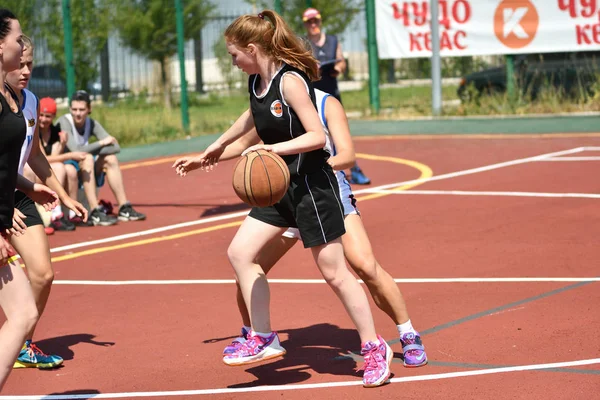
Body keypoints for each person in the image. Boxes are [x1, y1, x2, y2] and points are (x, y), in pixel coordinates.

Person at [173, 10, 392, 388]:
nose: (232, 62)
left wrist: (274, 150)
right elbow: (248, 119)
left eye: (234, 55)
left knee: (335, 274)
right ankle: (263, 336)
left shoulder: (290, 81)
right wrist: (211, 150)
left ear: (253, 48)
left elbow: (318, 137)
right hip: (280, 188)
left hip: (311, 186)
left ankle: (374, 347)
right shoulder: (257, 81)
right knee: (240, 253)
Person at [218, 88, 428, 368]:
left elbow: (348, 156)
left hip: (325, 192)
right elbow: (245, 141)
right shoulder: (273, 99)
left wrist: (313, 168)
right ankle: (253, 334)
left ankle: (408, 333)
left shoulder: (326, 103)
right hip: (287, 195)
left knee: (365, 267)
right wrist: (207, 157)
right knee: (246, 265)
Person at [5, 34, 89, 369]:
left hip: (18, 191)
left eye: (30, 65)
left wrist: (66, 194)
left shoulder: (30, 101)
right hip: (3, 197)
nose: (25, 71)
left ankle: (22, 341)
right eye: (20, 64)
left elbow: (36, 155)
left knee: (42, 275)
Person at [0, 8, 59, 391]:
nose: (23, 47)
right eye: (18, 39)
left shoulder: (14, 100)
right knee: (22, 312)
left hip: (10, 205)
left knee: (23, 312)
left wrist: (28, 186)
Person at [302, 7, 371, 186]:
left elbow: (341, 61)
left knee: (339, 133)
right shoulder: (304, 44)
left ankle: (354, 169)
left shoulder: (332, 41)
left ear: (320, 21)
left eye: (315, 20)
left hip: (331, 94)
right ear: (305, 24)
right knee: (315, 132)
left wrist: (337, 69)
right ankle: (312, 171)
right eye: (309, 22)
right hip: (312, 95)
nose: (313, 24)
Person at [56, 90, 145, 226]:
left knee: (111, 159)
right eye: (74, 109)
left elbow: (115, 147)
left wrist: (93, 148)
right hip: (66, 170)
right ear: (69, 109)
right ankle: (94, 210)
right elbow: (76, 150)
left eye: (82, 109)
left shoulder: (91, 124)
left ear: (89, 109)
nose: (78, 113)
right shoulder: (64, 122)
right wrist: (101, 143)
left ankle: (123, 207)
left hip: (84, 169)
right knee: (88, 158)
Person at [26, 97, 88, 231]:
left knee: (70, 169)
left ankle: (72, 213)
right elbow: (43, 159)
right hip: (35, 172)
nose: (43, 119)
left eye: (47, 116)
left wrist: (62, 144)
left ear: (53, 116)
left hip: (48, 171)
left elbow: (54, 156)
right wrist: (70, 155)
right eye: (41, 115)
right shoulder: (33, 130)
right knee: (59, 167)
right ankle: (56, 214)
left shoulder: (55, 132)